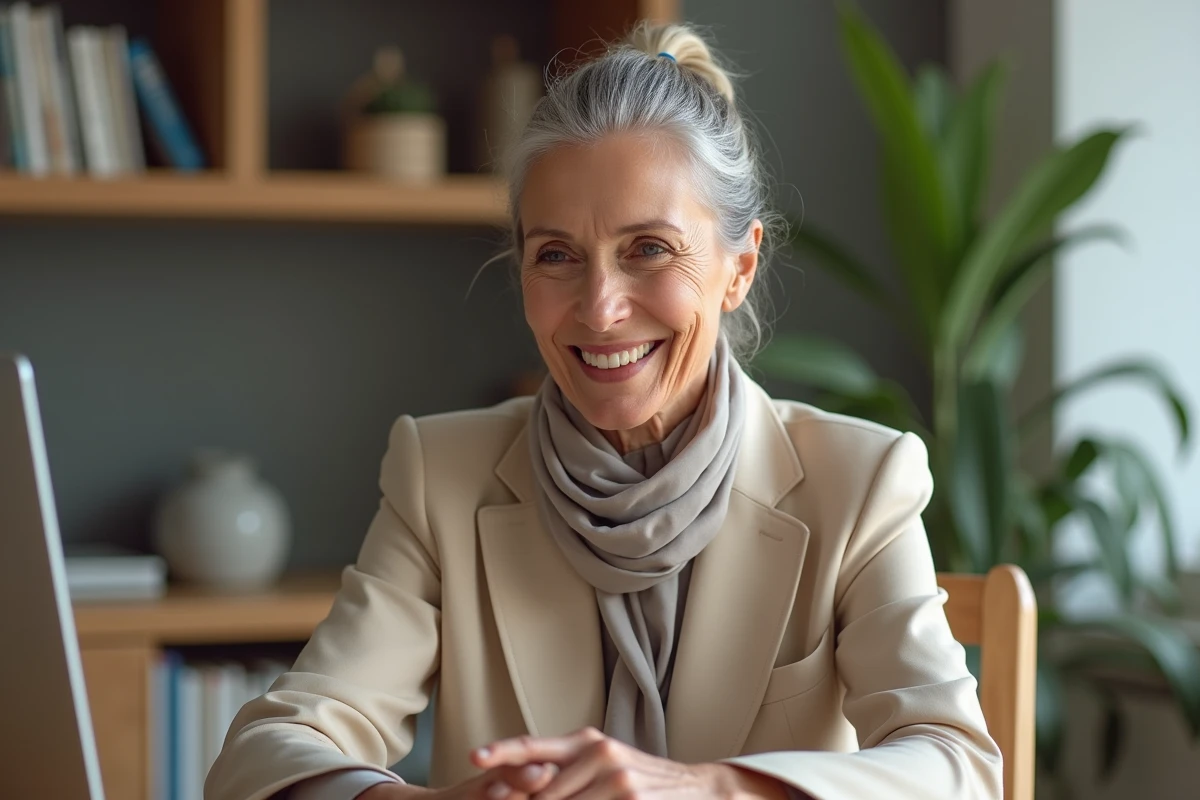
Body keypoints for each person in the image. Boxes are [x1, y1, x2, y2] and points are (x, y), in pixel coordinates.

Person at [205, 22, 1002, 800]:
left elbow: (958, 769)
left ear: (739, 268)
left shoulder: (858, 482)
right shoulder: (440, 476)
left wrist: (706, 789)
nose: (599, 307)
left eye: (648, 249)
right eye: (556, 255)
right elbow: (267, 755)